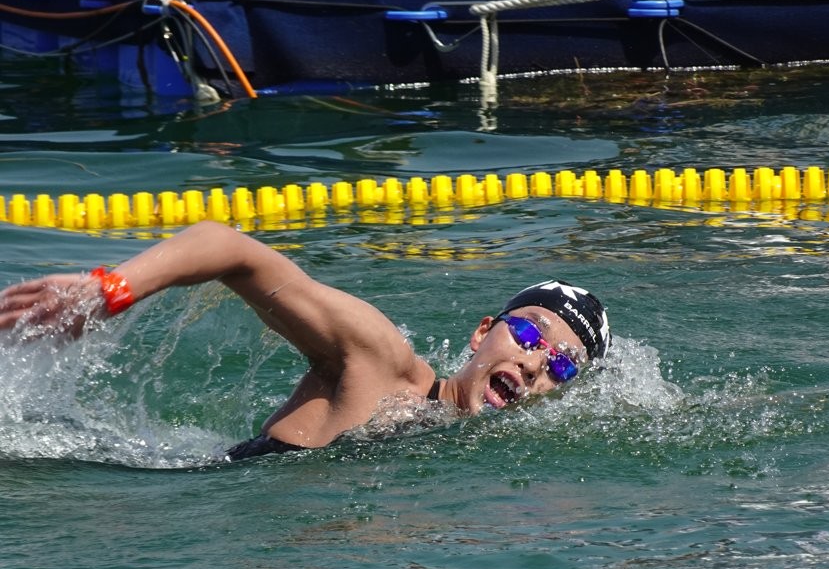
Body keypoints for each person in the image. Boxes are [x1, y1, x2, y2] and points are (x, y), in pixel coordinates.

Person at [0, 221, 611, 459]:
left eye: (561, 366)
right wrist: (107, 291)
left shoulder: (492, 463)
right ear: (484, 331)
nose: (535, 364)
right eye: (530, 333)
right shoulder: (381, 360)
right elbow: (229, 249)